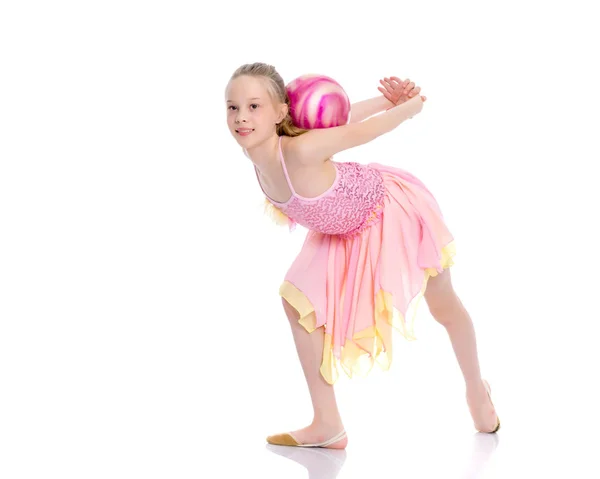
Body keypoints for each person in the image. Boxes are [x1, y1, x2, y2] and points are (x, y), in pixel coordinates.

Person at [224, 62, 500, 449]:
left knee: (443, 304)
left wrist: (407, 107)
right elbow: (342, 115)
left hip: (389, 212)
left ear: (280, 113)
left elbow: (357, 131)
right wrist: (386, 99)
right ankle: (328, 423)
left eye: (254, 107)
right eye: (232, 107)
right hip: (341, 230)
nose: (241, 118)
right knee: (296, 301)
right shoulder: (259, 156)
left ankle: (476, 389)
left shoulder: (300, 149)